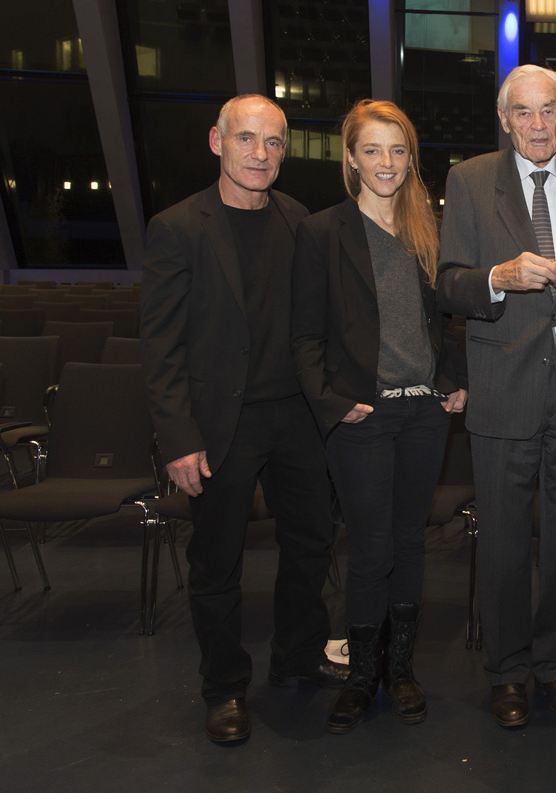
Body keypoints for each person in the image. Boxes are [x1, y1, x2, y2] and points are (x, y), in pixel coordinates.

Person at [140, 94, 347, 744]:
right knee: (217, 562)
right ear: (216, 142)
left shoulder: (297, 218)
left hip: (297, 416)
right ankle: (224, 688)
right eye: (247, 140)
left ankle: (296, 656)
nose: (261, 154)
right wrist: (177, 437)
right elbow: (162, 346)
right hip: (219, 424)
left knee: (312, 544)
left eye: (274, 142)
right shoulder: (178, 227)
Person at [436, 65, 556, 728]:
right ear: (504, 120)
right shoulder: (470, 180)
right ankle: (507, 673)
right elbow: (449, 284)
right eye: (523, 113)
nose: (538, 125)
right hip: (502, 387)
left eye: (549, 112)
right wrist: (499, 278)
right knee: (503, 544)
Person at [291, 100, 468, 734]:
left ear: (410, 158)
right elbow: (304, 336)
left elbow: (445, 325)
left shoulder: (430, 228)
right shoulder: (321, 232)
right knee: (369, 548)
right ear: (351, 158)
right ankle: (362, 675)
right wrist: (333, 406)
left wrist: (451, 382)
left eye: (398, 150)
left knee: (409, 543)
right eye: (372, 150)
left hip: (423, 415)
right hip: (362, 418)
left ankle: (401, 670)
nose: (386, 163)